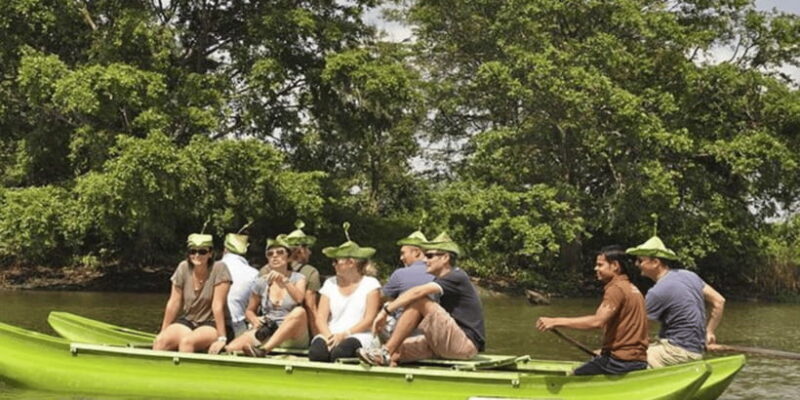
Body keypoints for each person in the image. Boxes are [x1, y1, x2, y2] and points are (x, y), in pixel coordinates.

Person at [358, 232, 485, 367]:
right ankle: (386, 360)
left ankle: (385, 352)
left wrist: (386, 311)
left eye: (429, 256)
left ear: (445, 258)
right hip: (444, 342)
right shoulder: (439, 281)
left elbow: (417, 293)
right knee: (396, 351)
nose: (424, 260)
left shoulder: (457, 276)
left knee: (419, 300)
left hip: (465, 344)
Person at [536, 245, 648, 375]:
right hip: (637, 360)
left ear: (615, 266)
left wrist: (555, 321)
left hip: (620, 363)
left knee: (572, 379)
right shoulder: (632, 288)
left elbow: (597, 322)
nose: (596, 269)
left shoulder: (616, 289)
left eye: (600, 265)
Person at [627, 235, 726, 368]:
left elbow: (638, 330)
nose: (636, 264)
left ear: (655, 262)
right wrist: (709, 332)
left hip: (676, 353)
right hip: (696, 350)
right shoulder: (690, 275)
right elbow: (719, 301)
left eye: (640, 260)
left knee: (629, 357)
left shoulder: (657, 292)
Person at [309, 222, 381, 362]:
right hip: (331, 332)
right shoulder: (329, 283)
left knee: (341, 352)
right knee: (317, 353)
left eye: (336, 261)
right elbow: (321, 318)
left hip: (359, 334)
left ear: (351, 263)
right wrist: (329, 336)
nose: (333, 264)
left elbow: (369, 320)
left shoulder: (371, 284)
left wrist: (345, 334)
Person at [225, 236, 308, 355]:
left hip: (293, 333)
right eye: (270, 254)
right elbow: (249, 311)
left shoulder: (298, 278)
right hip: (269, 330)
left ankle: (263, 350)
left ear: (289, 257)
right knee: (231, 348)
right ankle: (260, 349)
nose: (275, 256)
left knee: (299, 311)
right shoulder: (261, 282)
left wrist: (284, 280)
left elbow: (299, 298)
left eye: (280, 252)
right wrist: (254, 319)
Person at [153, 233, 231, 354]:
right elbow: (174, 302)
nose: (197, 255)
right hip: (188, 320)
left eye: (202, 252)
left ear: (210, 253)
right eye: (193, 251)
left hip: (211, 323)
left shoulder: (219, 268)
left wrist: (222, 338)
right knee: (160, 342)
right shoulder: (183, 267)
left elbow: (217, 305)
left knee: (187, 342)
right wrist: (164, 331)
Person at [378, 230, 436, 341]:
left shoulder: (400, 274)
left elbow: (380, 298)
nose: (401, 258)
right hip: (434, 332)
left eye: (403, 253)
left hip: (404, 333)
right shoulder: (440, 274)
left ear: (416, 252)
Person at [283, 220, 323, 336]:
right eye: (307, 249)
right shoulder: (310, 272)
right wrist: (317, 337)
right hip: (296, 330)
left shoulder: (267, 270)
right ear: (301, 250)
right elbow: (311, 307)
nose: (309, 252)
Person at [221, 232, 258, 338]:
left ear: (225, 249)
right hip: (237, 323)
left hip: (210, 323)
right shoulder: (254, 273)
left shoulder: (212, 268)